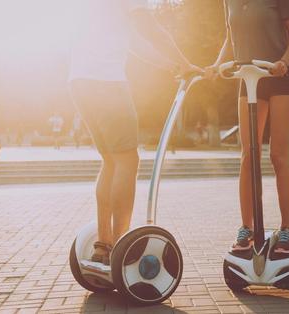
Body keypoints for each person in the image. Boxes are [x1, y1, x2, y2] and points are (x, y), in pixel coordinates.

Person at [69, 0, 201, 265]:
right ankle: (119, 245)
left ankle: (103, 245)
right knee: (128, 160)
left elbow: (134, 43)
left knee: (111, 160)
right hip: (107, 82)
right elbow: (150, 28)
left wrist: (170, 65)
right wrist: (184, 62)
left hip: (80, 80)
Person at [205, 0, 289, 253]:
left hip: (279, 76)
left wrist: (285, 61)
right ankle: (246, 228)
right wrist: (217, 64)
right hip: (248, 79)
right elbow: (231, 37)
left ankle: (287, 230)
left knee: (278, 155)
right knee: (248, 155)